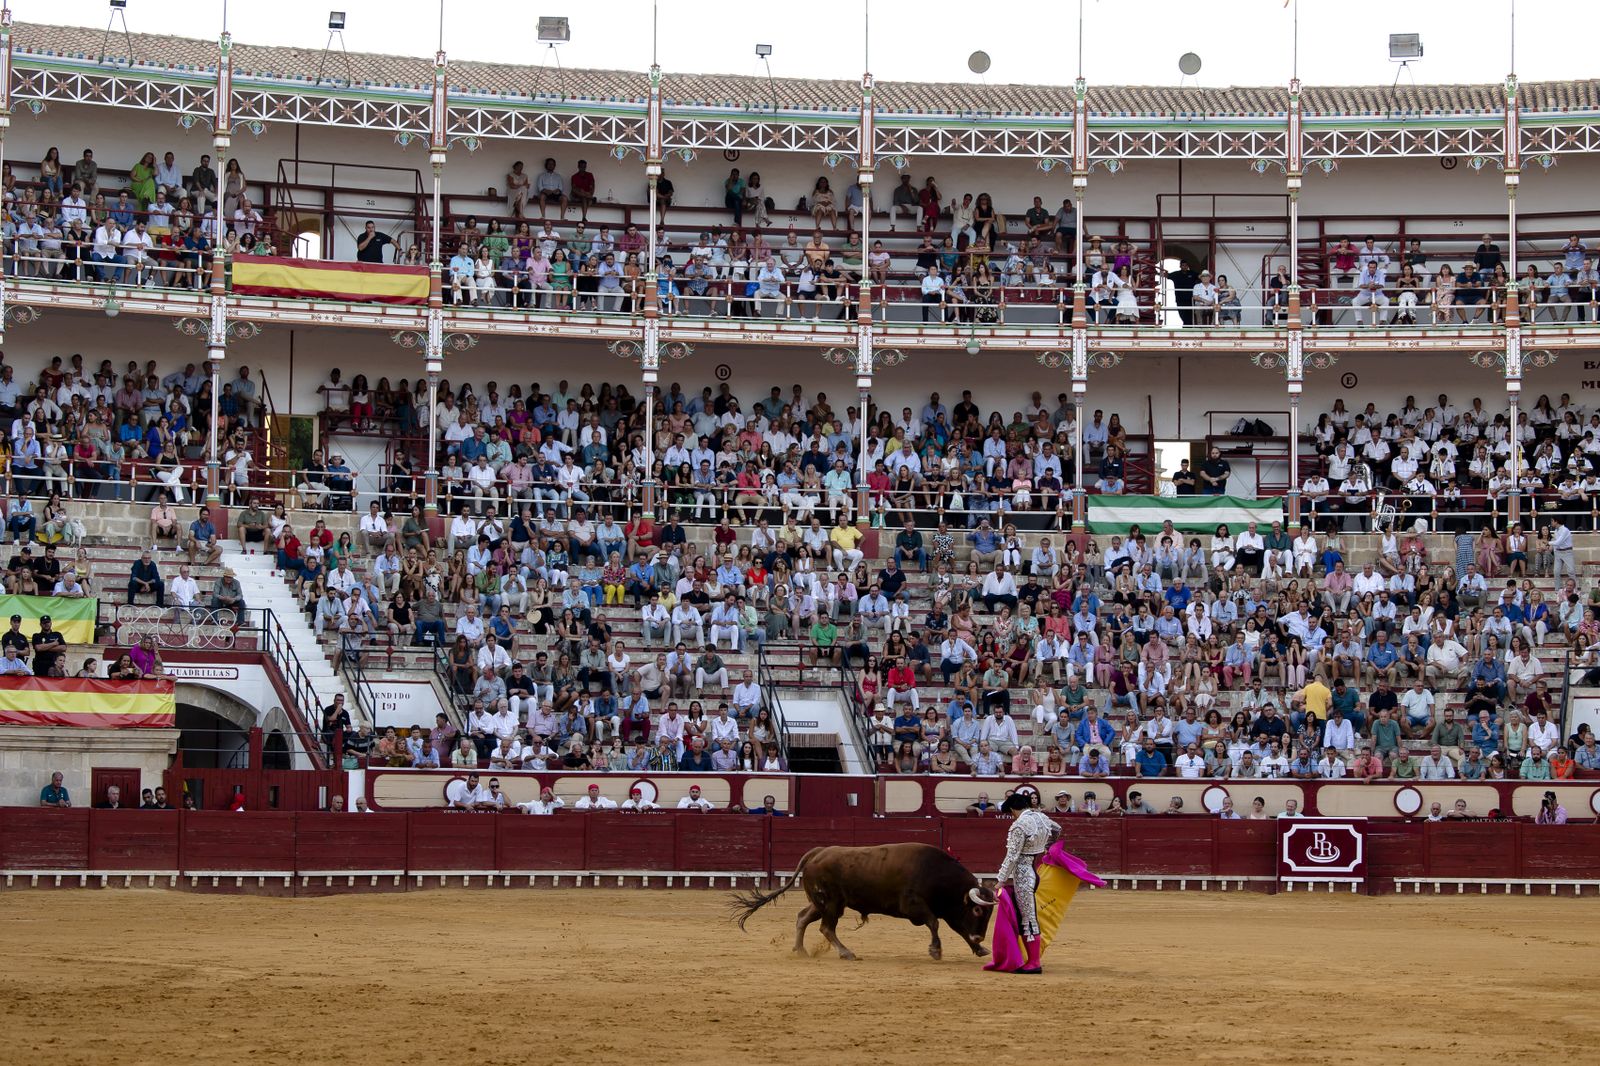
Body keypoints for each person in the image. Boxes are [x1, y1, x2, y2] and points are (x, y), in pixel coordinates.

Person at [995, 789, 1060, 975]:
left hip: (1023, 876)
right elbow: (1057, 830)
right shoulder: (1041, 818)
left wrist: (1000, 881)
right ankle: (1030, 959)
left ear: (1014, 809)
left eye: (1010, 813)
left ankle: (1033, 962)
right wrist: (1047, 848)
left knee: (1028, 918)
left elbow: (1012, 857)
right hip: (1034, 871)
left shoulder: (1019, 825)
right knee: (1026, 916)